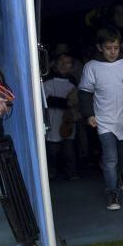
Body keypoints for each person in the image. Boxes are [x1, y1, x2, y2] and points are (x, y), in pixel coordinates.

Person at [78, 27, 123, 211]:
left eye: (115, 47)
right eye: (108, 48)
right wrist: (89, 114)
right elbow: (84, 93)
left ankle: (120, 176)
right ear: (100, 47)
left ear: (120, 46)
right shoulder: (91, 67)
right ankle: (112, 192)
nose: (112, 52)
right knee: (110, 158)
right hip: (104, 120)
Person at [44, 53, 79, 181]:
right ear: (55, 64)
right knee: (52, 149)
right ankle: (52, 171)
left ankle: (72, 172)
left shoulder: (73, 82)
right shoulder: (48, 82)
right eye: (61, 62)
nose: (64, 65)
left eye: (68, 62)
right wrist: (66, 102)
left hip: (68, 120)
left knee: (69, 148)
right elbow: (44, 100)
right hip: (53, 120)